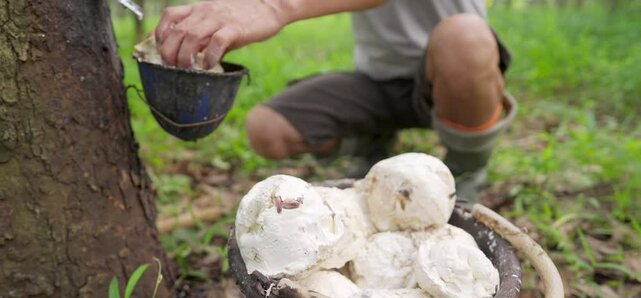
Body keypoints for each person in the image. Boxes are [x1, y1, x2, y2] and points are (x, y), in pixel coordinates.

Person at [154, 0, 516, 202]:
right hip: (378, 82)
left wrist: (273, 7)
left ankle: (466, 169)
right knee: (267, 129)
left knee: (465, 36)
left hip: (455, 77)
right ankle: (374, 142)